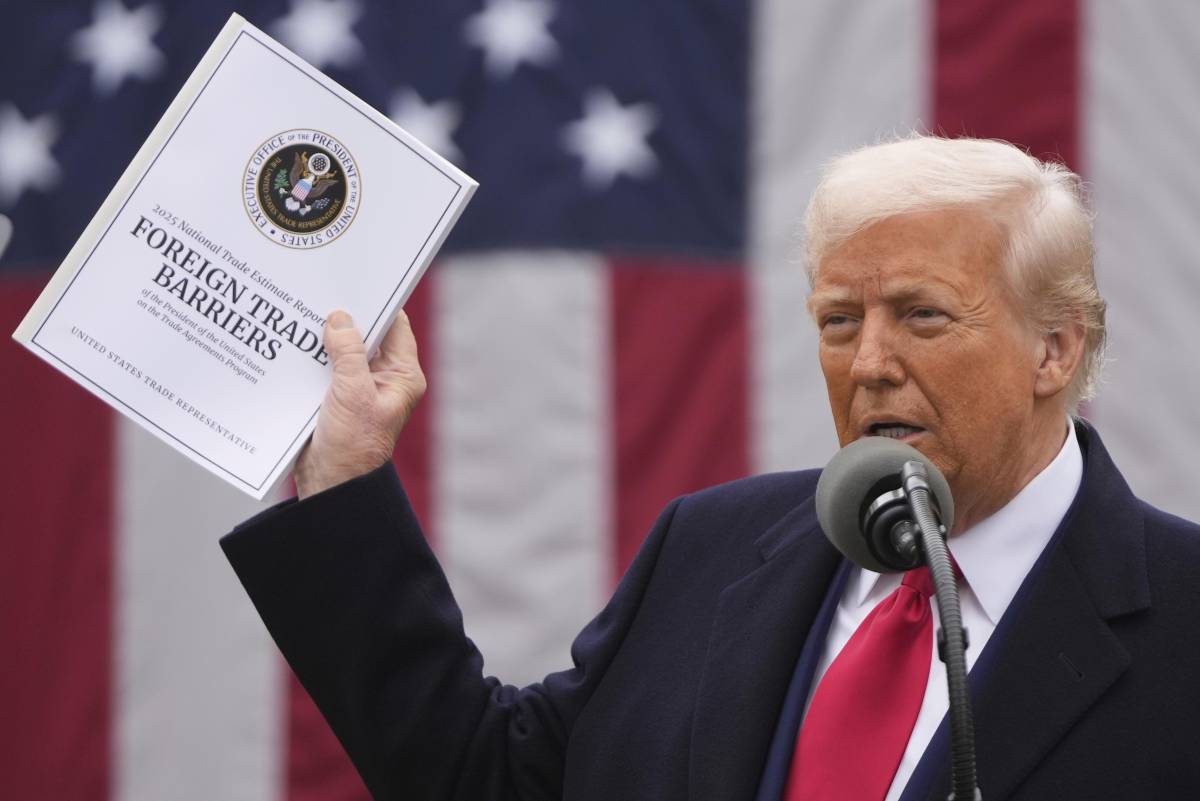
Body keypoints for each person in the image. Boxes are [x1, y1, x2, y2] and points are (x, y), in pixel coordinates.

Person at [221, 135, 1200, 801]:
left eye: (923, 315)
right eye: (839, 321)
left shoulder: (1183, 620)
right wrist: (347, 479)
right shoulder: (715, 546)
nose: (869, 362)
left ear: (1054, 348)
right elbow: (490, 780)